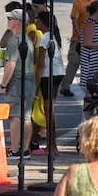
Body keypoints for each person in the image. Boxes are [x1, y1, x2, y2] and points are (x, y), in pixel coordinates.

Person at [0, 10, 35, 156]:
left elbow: (11, 64)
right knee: (26, 116)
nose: (8, 20)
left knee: (15, 116)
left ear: (17, 22)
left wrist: (3, 85)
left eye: (10, 18)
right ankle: (25, 149)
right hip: (29, 80)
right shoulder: (27, 39)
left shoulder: (15, 40)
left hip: (17, 81)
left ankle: (14, 150)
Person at [34, 9, 65, 158]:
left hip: (49, 75)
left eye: (37, 20)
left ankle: (51, 146)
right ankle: (51, 145)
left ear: (43, 22)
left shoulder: (45, 37)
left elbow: (40, 63)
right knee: (50, 110)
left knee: (49, 111)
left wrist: (35, 83)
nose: (35, 23)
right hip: (58, 73)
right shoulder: (53, 35)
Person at [63, 0, 98, 96]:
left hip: (91, 37)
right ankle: (65, 86)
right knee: (74, 62)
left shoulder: (95, 0)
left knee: (92, 63)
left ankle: (93, 86)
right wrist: (78, 36)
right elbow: (74, 19)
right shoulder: (78, 1)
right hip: (78, 39)